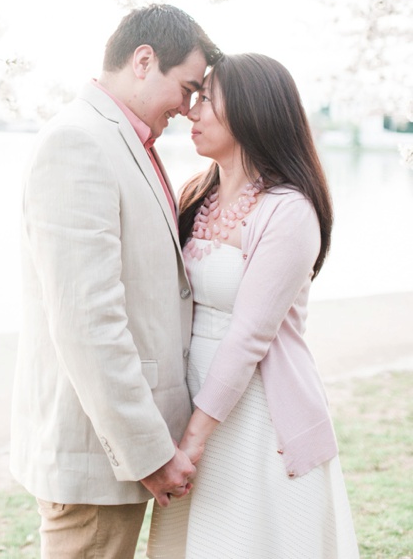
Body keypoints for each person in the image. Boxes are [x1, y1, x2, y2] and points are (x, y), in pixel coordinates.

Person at [10, 4, 220, 559]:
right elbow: (86, 320)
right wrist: (149, 452)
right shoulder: (78, 143)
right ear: (144, 60)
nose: (190, 106)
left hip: (121, 449)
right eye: (188, 87)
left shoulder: (126, 142)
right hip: (98, 452)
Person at [147, 53, 359, 556]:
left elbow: (248, 336)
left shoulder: (289, 211)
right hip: (190, 401)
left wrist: (194, 439)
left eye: (206, 101)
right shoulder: (195, 196)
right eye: (193, 99)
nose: (191, 112)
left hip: (255, 414)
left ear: (251, 112)